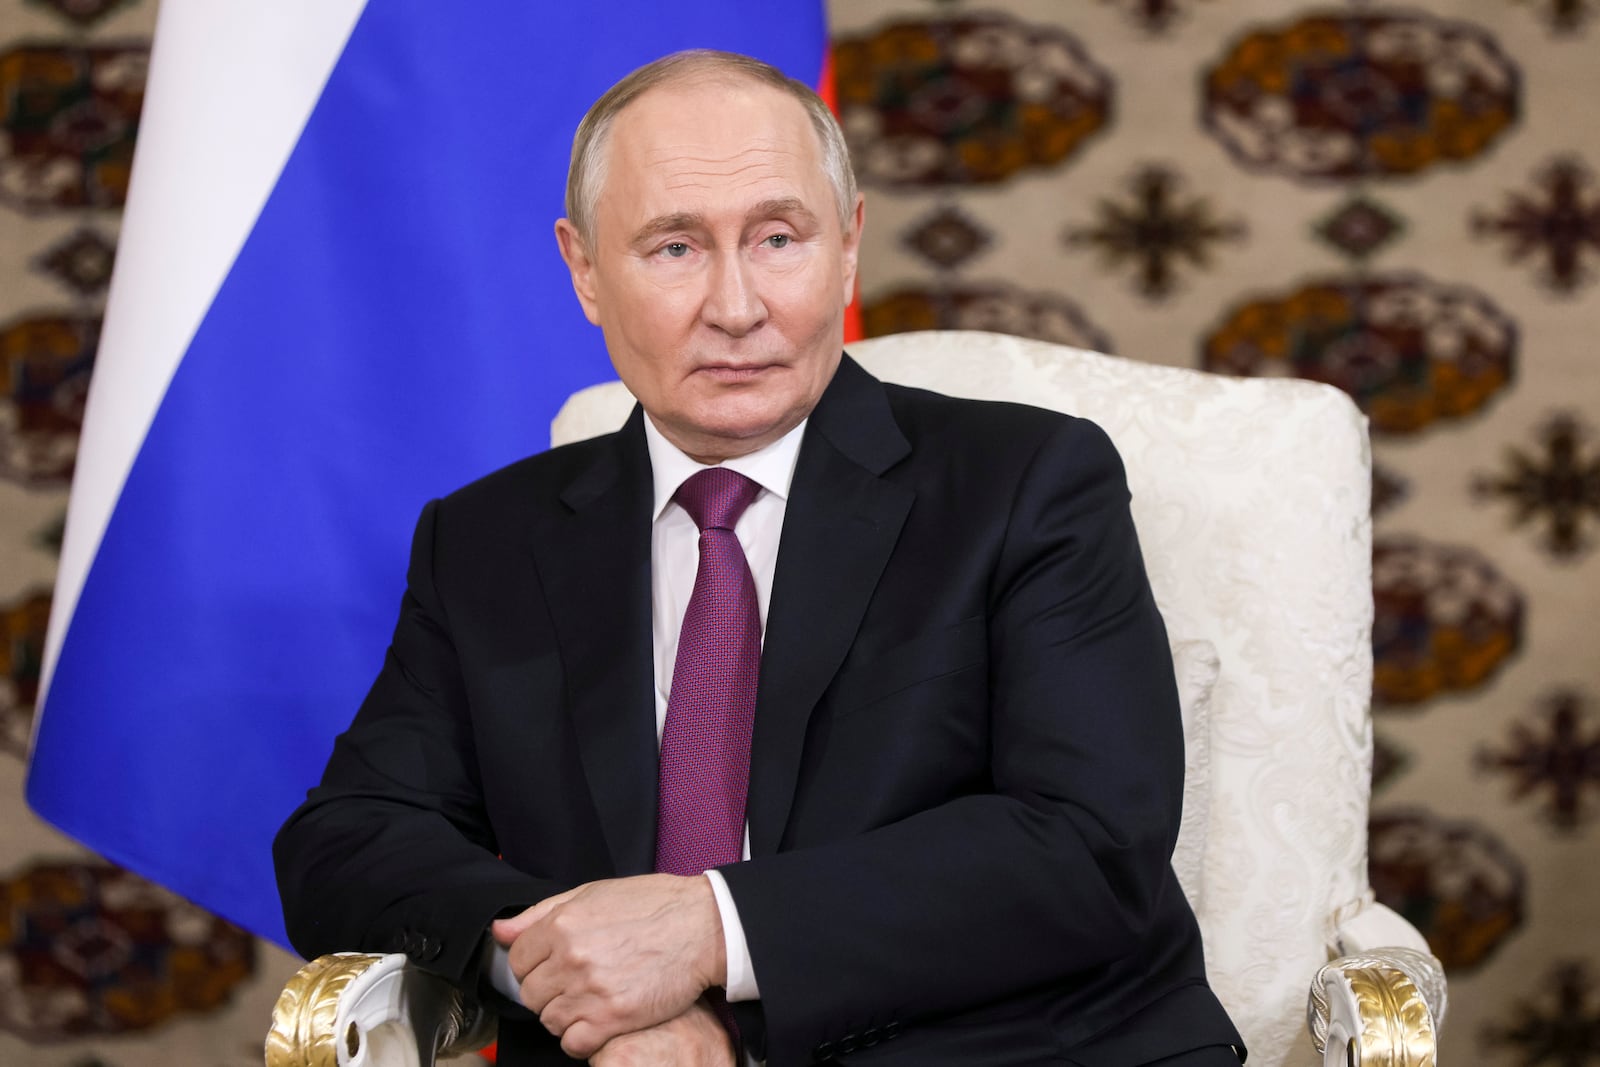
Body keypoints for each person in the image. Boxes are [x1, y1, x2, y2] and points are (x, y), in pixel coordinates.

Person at [273, 49, 1244, 1067]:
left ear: (849, 245)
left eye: (778, 238)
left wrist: (709, 934)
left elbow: (1091, 845)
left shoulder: (1028, 481)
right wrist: (576, 971)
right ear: (585, 271)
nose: (737, 306)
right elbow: (347, 835)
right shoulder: (486, 538)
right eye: (674, 248)